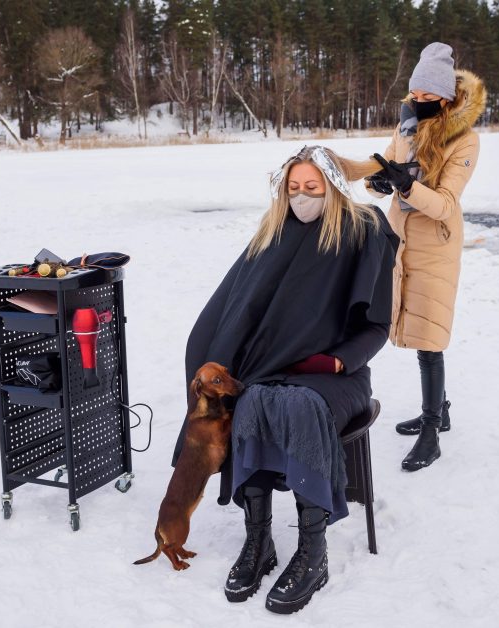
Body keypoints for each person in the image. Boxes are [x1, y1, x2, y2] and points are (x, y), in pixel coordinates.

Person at [173, 146, 397, 614]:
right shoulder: (273, 234)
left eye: (312, 188)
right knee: (249, 399)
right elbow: (234, 308)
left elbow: (377, 327)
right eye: (293, 188)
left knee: (296, 404)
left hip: (336, 374)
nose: (301, 197)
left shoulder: (365, 230)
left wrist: (334, 362)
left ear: (333, 185)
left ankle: (313, 554)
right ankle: (259, 542)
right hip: (271, 368)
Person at [364, 42, 487, 471]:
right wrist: (379, 183)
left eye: (427, 96)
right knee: (413, 331)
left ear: (447, 98)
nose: (417, 101)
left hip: (436, 244)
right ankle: (440, 410)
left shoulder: (464, 139)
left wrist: (406, 187)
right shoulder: (406, 128)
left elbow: (446, 204)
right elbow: (383, 167)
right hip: (400, 241)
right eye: (414, 94)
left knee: (430, 339)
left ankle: (432, 432)